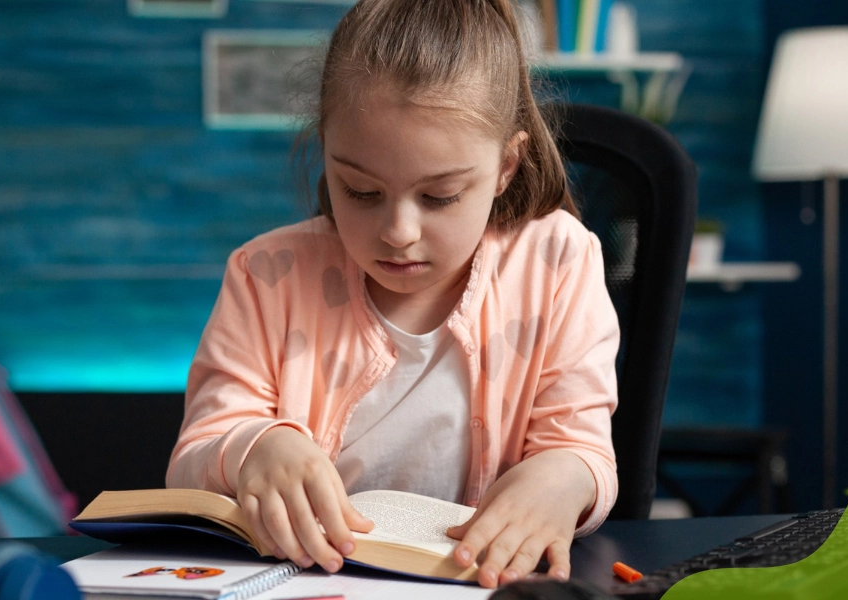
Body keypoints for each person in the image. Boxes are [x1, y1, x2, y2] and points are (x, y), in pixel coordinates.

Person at [167, 0, 619, 589]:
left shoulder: (559, 261)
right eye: (359, 190)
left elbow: (582, 447)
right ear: (326, 151)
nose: (398, 232)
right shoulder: (265, 275)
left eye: (440, 197)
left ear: (507, 165)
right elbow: (196, 454)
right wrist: (256, 449)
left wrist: (563, 478)